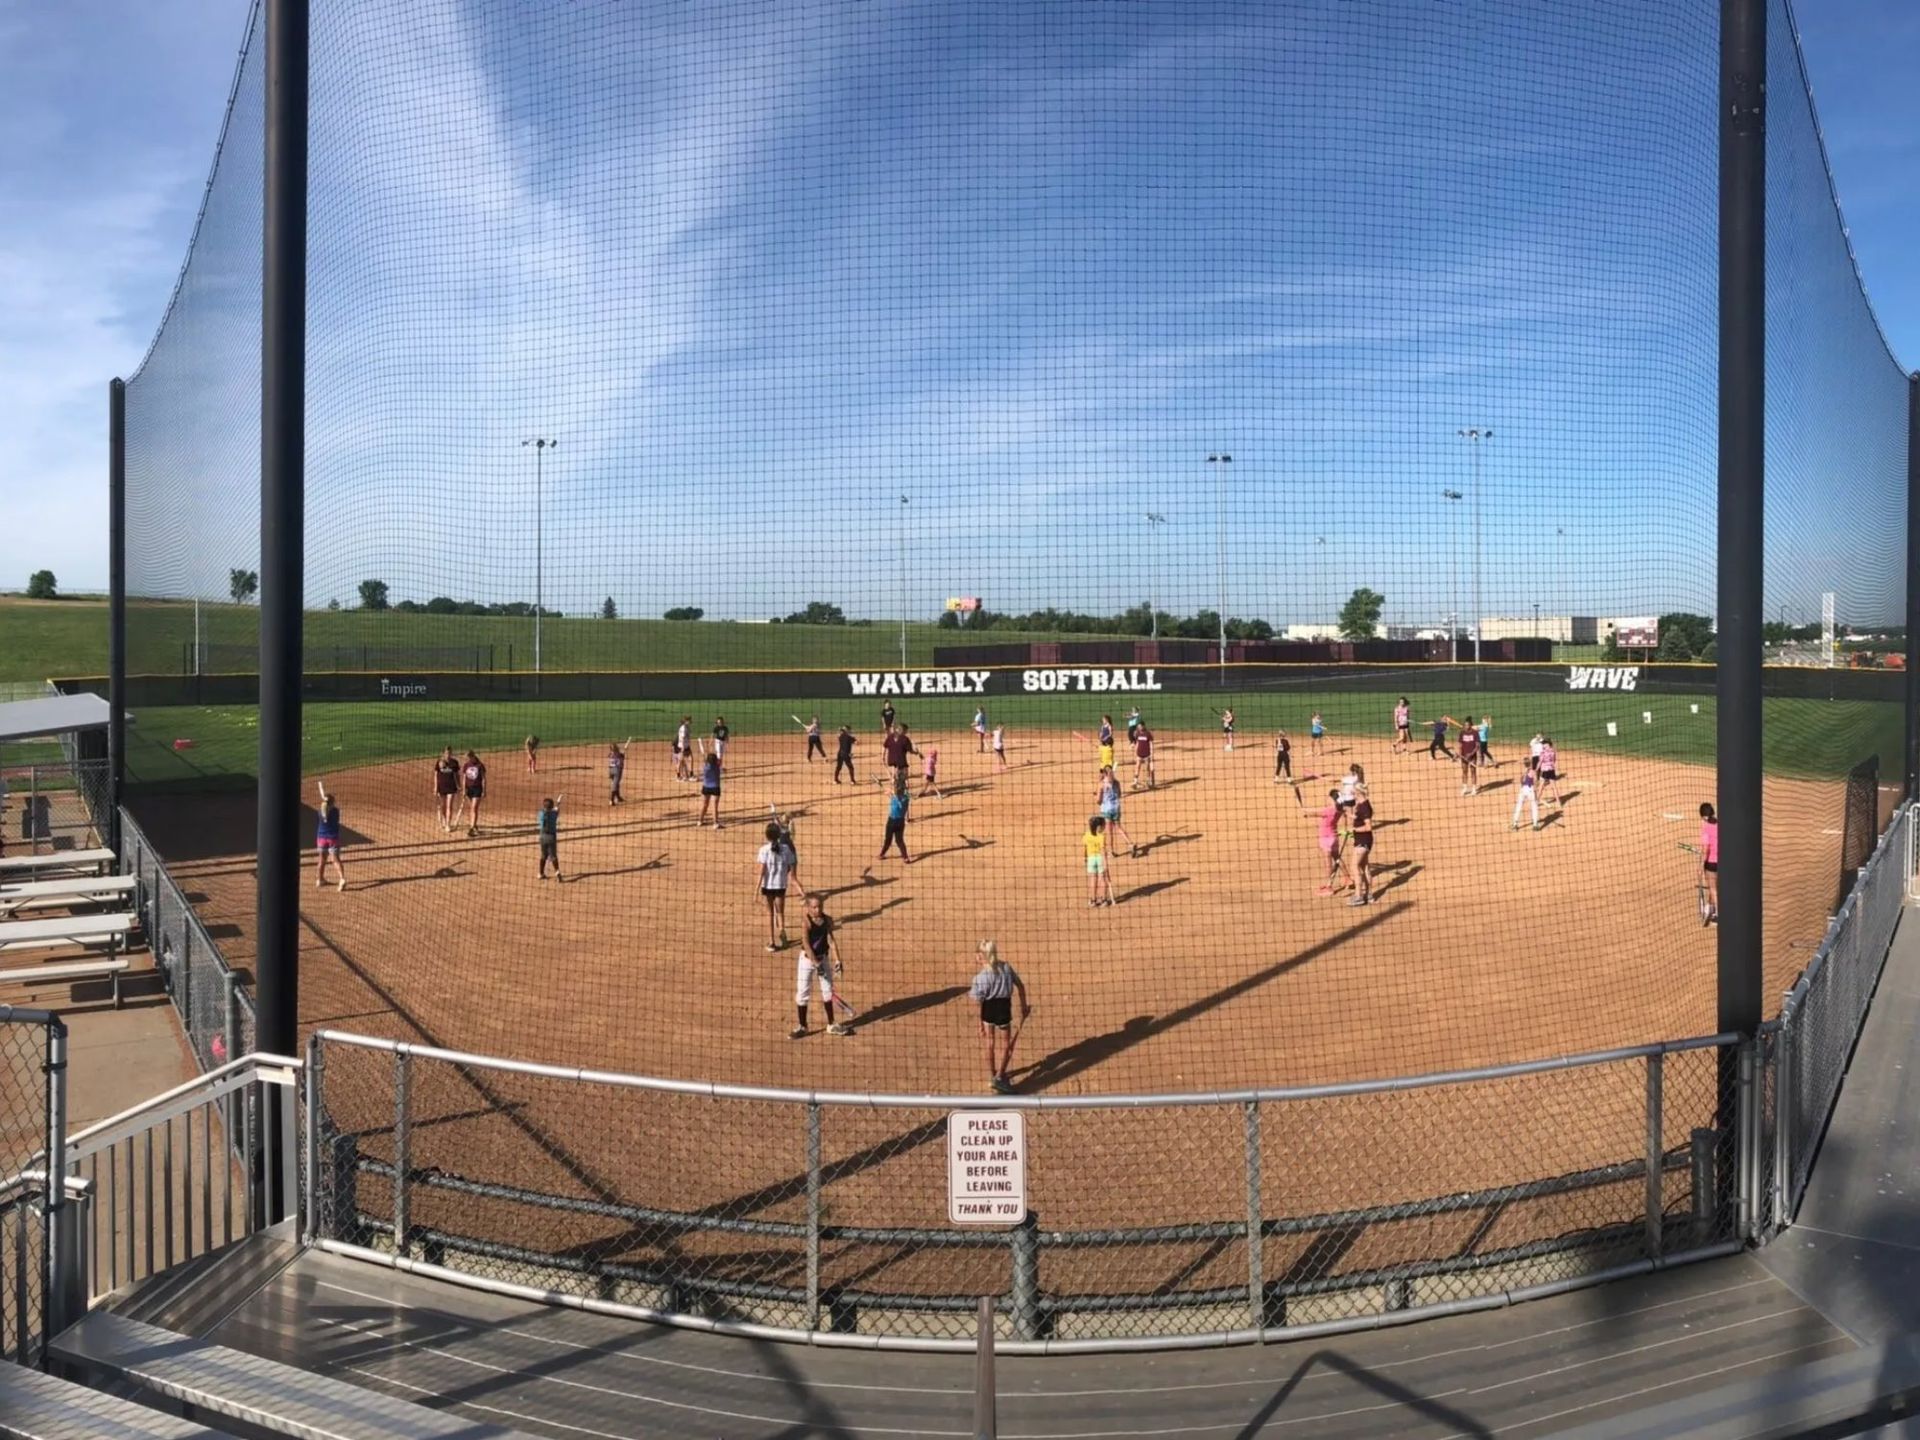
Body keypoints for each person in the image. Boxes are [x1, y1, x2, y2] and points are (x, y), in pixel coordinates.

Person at [970, 940, 1030, 1095]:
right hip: (1003, 1008)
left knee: (989, 1043)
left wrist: (980, 1023)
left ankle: (993, 1076)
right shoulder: (1006, 968)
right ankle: (1000, 1076)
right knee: (1007, 1045)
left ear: (981, 956)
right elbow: (1021, 986)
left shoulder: (979, 978)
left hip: (988, 1008)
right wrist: (1023, 1007)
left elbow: (979, 1001)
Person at [793, 894, 851, 1038]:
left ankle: (831, 1024)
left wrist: (838, 961)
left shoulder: (827, 920)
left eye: (820, 906)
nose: (818, 909)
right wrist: (816, 963)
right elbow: (806, 944)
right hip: (807, 961)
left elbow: (831, 941)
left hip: (823, 959)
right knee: (802, 993)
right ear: (808, 907)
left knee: (828, 991)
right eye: (814, 907)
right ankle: (802, 1026)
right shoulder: (805, 922)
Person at [757, 821, 797, 951]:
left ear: (766, 836)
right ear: (779, 835)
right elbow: (791, 865)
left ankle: (772, 942)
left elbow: (762, 871)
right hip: (781, 885)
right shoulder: (786, 849)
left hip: (767, 886)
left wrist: (756, 889)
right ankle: (783, 936)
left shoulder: (763, 850)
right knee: (780, 912)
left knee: (770, 914)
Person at [314, 779, 347, 892]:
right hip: (333, 838)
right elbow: (328, 806)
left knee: (321, 860)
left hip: (322, 838)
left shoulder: (320, 813)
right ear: (332, 803)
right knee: (335, 859)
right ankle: (342, 879)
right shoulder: (336, 811)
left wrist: (325, 802)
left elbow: (324, 808)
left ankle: (320, 880)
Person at [1096, 766, 1137, 857]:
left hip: (1107, 810)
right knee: (1119, 828)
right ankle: (1130, 844)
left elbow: (1098, 801)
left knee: (1109, 831)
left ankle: (1111, 851)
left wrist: (1096, 796)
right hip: (1116, 808)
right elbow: (1119, 795)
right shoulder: (1117, 782)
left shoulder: (1101, 784)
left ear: (1105, 773)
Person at [1346, 785, 1375, 906]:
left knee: (1354, 867)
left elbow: (1368, 827)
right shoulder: (1362, 804)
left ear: (1358, 792)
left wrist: (1354, 829)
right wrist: (1350, 815)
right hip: (1364, 841)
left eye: (1353, 791)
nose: (1351, 793)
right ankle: (1369, 895)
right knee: (1365, 867)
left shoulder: (1364, 807)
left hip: (1362, 841)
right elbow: (1360, 817)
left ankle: (1358, 896)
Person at [1313, 788, 1345, 896]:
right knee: (1337, 858)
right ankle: (1348, 878)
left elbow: (1315, 813)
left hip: (1326, 838)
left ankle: (1329, 887)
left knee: (1328, 864)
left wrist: (1305, 811)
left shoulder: (1329, 810)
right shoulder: (1339, 810)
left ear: (1332, 799)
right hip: (1334, 837)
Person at [879, 775, 912, 862]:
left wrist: (890, 792)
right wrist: (891, 792)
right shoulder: (907, 797)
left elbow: (893, 794)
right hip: (901, 822)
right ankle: (906, 857)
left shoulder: (894, 797)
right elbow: (897, 795)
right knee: (899, 840)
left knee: (888, 840)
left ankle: (881, 854)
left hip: (892, 821)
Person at [1085, 815, 1114, 907]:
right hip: (1100, 858)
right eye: (1104, 825)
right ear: (1099, 827)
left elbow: (1085, 848)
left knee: (1093, 879)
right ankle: (1104, 900)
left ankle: (1093, 900)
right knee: (1103, 879)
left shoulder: (1087, 835)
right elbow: (1102, 851)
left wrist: (1084, 858)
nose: (1105, 827)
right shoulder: (1101, 837)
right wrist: (1105, 864)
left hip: (1090, 859)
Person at [1698, 802, 1720, 923]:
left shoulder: (1706, 828)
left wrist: (1701, 866)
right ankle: (1711, 907)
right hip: (1723, 861)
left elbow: (1705, 849)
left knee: (1712, 888)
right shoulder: (1721, 824)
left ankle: (1717, 913)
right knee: (1717, 887)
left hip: (1711, 862)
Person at [432, 746, 460, 831]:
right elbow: (436, 775)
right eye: (447, 753)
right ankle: (444, 819)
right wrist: (435, 787)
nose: (448, 755)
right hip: (442, 787)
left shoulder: (454, 763)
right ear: (444, 753)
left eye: (450, 753)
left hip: (451, 787)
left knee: (449, 806)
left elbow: (457, 775)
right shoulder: (439, 762)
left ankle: (448, 824)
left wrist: (459, 785)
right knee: (443, 805)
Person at [1510, 756, 1541, 831]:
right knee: (1534, 807)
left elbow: (1521, 781)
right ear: (1530, 763)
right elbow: (1536, 782)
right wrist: (1536, 789)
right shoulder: (1533, 771)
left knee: (1519, 806)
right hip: (1531, 790)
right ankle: (1535, 825)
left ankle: (1515, 825)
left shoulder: (1524, 772)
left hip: (1523, 790)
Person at [460, 750, 487, 836]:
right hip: (469, 789)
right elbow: (464, 778)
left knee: (474, 807)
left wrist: (484, 790)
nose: (467, 760)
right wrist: (464, 789)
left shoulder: (480, 765)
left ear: (472, 757)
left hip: (477, 789)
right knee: (472, 808)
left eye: (468, 758)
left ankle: (472, 828)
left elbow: (483, 779)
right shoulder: (466, 765)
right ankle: (474, 826)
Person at [536, 796, 563, 881]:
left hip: (543, 837)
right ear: (551, 806)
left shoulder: (541, 814)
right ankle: (557, 872)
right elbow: (556, 809)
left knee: (543, 855)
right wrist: (558, 802)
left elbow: (544, 812)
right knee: (553, 856)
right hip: (551, 837)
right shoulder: (554, 814)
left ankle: (540, 873)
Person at [882, 722, 916, 788]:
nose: (906, 732)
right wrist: (916, 752)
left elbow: (884, 746)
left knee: (894, 775)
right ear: (903, 730)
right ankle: (906, 791)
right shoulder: (905, 739)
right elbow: (911, 751)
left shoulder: (890, 737)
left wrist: (882, 756)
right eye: (906, 731)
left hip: (891, 760)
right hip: (901, 761)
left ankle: (894, 789)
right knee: (905, 776)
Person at [698, 748, 724, 828]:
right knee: (715, 806)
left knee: (705, 805)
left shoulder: (705, 767)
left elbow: (706, 762)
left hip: (706, 787)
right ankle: (715, 823)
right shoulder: (717, 767)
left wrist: (706, 759)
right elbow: (720, 760)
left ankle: (700, 821)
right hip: (715, 787)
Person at [1539, 736, 1564, 806]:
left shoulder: (1543, 752)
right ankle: (1559, 803)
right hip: (1551, 770)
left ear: (1548, 744)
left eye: (1544, 743)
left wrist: (1536, 769)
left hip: (1545, 770)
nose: (1543, 745)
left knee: (1541, 786)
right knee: (1554, 787)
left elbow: (1540, 762)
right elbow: (1554, 760)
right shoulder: (1553, 751)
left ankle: (1536, 802)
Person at [1458, 721, 1481, 796]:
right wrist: (1461, 754)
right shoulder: (1462, 733)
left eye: (1467, 725)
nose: (1466, 726)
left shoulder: (1475, 733)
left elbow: (1477, 746)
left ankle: (1474, 789)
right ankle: (1465, 788)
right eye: (1465, 725)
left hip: (1472, 756)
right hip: (1464, 756)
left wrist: (1471, 754)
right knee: (1464, 771)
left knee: (1473, 771)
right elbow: (1460, 744)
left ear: (1471, 725)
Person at [1131, 721, 1155, 789]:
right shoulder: (1138, 734)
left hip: (1147, 754)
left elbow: (1151, 744)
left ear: (1144, 726)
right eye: (1138, 726)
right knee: (1137, 767)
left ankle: (1148, 782)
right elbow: (1137, 743)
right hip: (1139, 754)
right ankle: (1135, 782)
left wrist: (1152, 753)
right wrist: (1136, 751)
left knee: (1147, 768)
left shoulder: (1148, 734)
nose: (1139, 727)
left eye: (1140, 726)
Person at [607, 740, 627, 806]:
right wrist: (623, 754)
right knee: (615, 785)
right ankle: (611, 800)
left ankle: (618, 797)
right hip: (617, 771)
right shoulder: (619, 754)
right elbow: (621, 758)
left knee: (615, 784)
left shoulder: (610, 754)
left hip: (610, 771)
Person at [674, 716, 693, 782]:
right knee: (680, 761)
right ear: (686, 721)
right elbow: (682, 738)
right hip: (682, 747)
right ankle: (678, 776)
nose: (691, 721)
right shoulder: (683, 728)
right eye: (690, 720)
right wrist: (682, 748)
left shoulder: (687, 727)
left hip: (687, 746)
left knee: (691, 759)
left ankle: (691, 775)